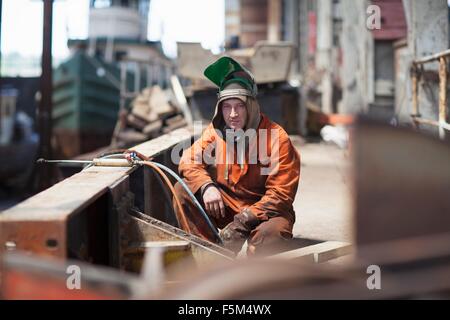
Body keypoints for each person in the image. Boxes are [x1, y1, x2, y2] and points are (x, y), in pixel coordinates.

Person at [173, 56, 301, 256]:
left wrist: (244, 220)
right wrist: (207, 186)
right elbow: (189, 160)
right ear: (220, 108)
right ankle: (209, 256)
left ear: (250, 105)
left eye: (239, 106)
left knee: (267, 241)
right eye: (227, 106)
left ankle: (252, 278)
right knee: (183, 190)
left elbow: (281, 195)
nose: (233, 114)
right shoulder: (216, 133)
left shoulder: (277, 138)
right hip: (228, 205)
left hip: (267, 212)